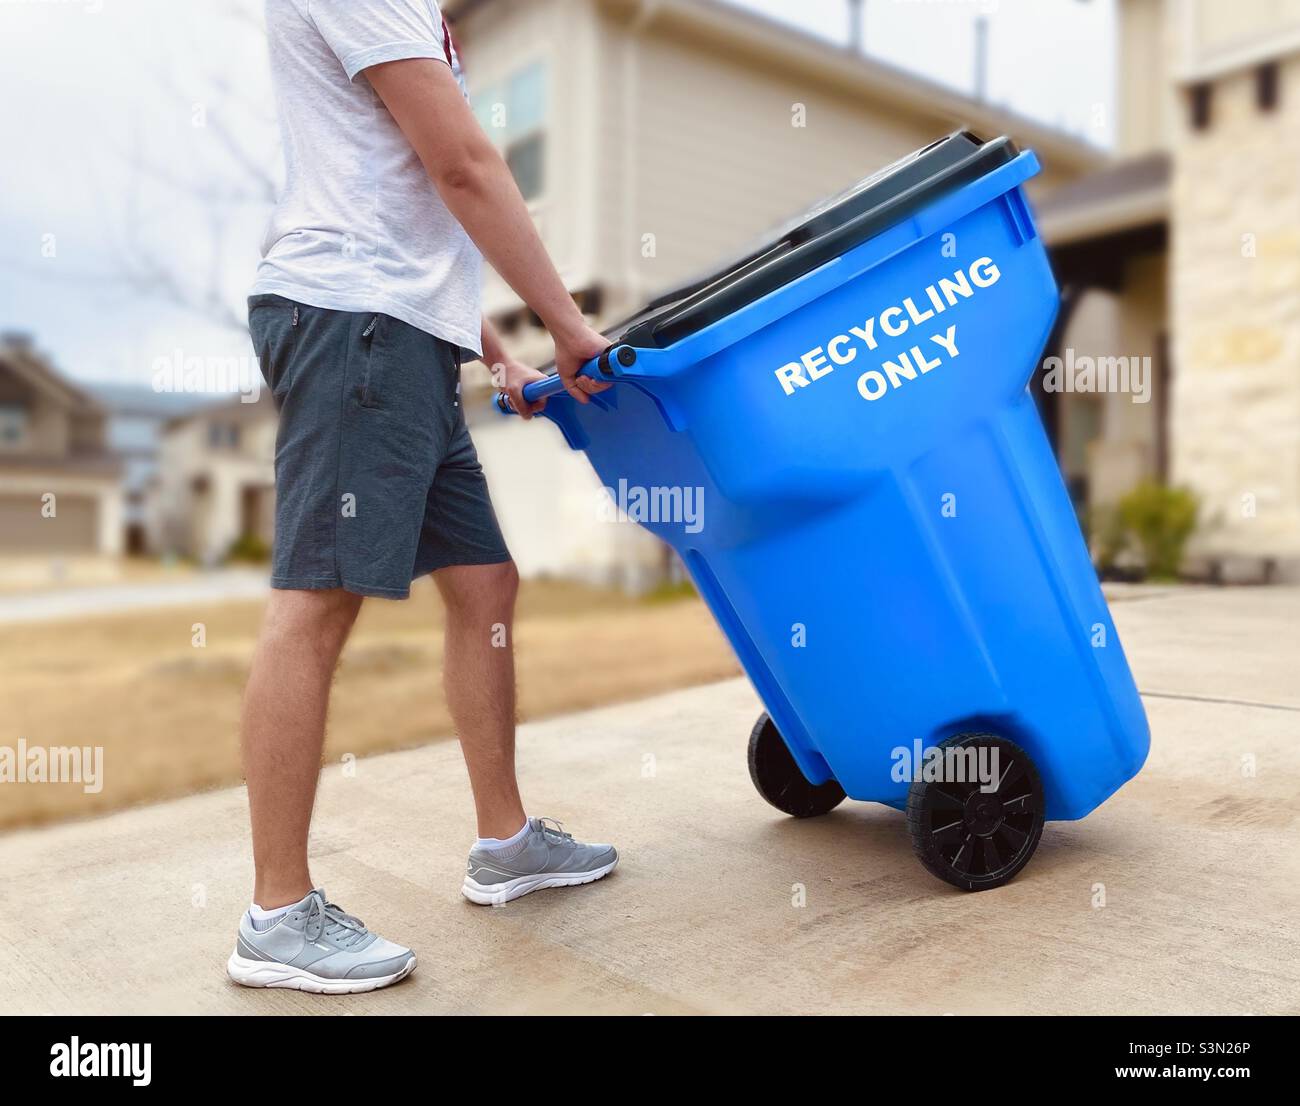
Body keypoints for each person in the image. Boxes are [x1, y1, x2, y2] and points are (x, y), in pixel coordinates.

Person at [226, 0, 616, 995]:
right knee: (316, 599)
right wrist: (570, 326)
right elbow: (465, 167)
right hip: (356, 323)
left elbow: (411, 202)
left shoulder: (418, 14)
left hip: (403, 332)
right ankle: (276, 914)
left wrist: (498, 349)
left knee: (485, 583)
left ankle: (505, 841)